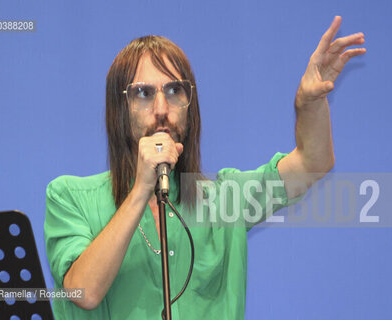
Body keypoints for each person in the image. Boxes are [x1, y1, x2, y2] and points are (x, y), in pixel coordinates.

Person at [44, 16, 365, 319]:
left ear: (190, 108)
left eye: (174, 91)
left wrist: (309, 104)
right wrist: (142, 189)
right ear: (120, 108)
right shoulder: (70, 196)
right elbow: (83, 292)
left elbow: (312, 162)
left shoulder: (226, 199)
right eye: (143, 93)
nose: (161, 109)